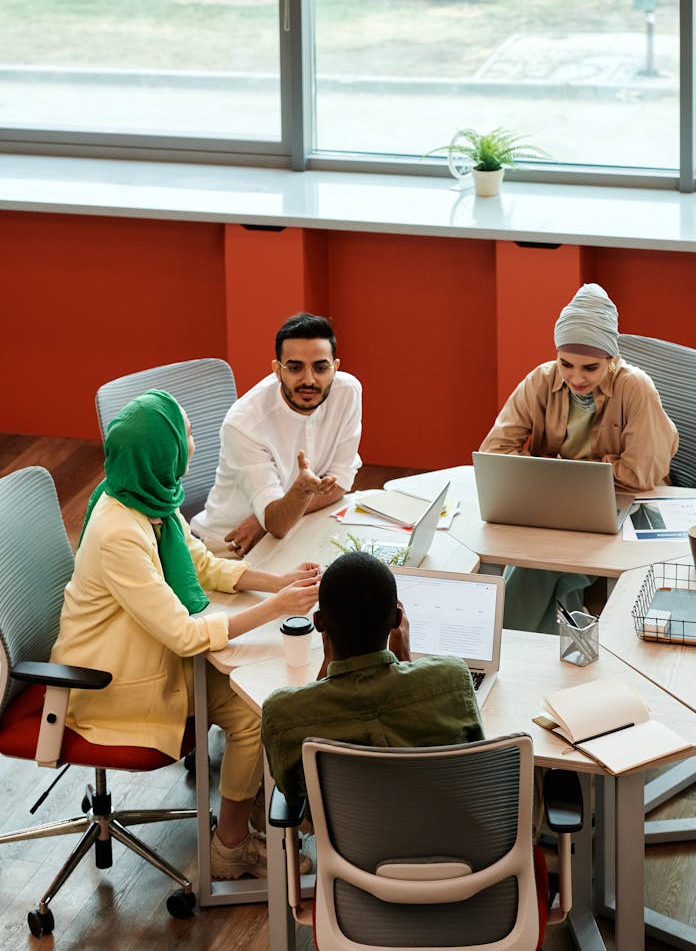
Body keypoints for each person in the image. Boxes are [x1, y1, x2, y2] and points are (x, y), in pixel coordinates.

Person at [50, 389, 322, 880]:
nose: (195, 441)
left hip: (145, 655)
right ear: (165, 452)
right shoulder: (120, 534)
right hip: (109, 683)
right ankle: (231, 847)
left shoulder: (144, 494)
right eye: (187, 434)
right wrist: (277, 610)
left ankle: (250, 818)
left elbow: (201, 563)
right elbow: (184, 636)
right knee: (254, 715)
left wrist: (275, 583)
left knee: (260, 703)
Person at [479, 282, 678, 633]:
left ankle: (504, 646)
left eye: (590, 368)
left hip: (626, 504)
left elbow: (641, 474)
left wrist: (559, 472)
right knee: (539, 559)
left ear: (611, 359)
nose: (576, 378)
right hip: (558, 504)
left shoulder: (636, 387)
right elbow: (494, 450)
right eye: (566, 364)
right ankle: (559, 651)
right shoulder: (540, 380)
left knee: (535, 564)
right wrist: (566, 480)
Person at [261, 551, 484, 804]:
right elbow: (475, 759)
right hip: (448, 837)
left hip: (347, 842)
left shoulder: (283, 715)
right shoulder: (451, 679)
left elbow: (292, 794)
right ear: (397, 619)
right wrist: (407, 663)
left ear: (319, 623)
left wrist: (326, 665)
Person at [191, 312, 362, 556]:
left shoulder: (348, 392)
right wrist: (296, 497)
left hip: (292, 529)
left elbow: (341, 482)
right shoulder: (243, 424)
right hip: (230, 547)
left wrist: (266, 519)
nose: (309, 380)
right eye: (295, 368)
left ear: (335, 368)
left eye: (320, 367)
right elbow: (278, 524)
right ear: (277, 371)